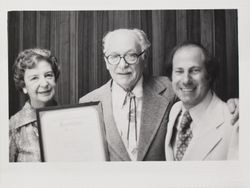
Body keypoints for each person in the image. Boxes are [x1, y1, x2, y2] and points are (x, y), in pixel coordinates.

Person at [80, 28, 239, 161]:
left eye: (131, 55)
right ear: (106, 61)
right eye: (114, 56)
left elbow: (203, 101)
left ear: (144, 57)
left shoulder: (172, 88)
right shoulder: (88, 103)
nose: (122, 65)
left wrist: (236, 105)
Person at [165, 41, 239, 160]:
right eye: (179, 71)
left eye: (194, 70)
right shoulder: (174, 110)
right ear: (171, 76)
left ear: (209, 75)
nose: (186, 80)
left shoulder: (234, 122)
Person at [9, 48, 60, 162]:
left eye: (48, 75)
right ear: (23, 86)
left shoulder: (71, 118)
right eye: (34, 78)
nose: (44, 83)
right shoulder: (13, 126)